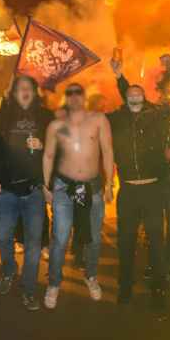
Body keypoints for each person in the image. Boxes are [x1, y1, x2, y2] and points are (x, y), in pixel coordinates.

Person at [41, 83, 114, 310]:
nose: (74, 96)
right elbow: (48, 155)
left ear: (84, 96)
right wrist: (46, 186)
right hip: (64, 187)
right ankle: (54, 283)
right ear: (66, 98)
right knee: (60, 238)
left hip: (92, 188)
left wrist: (110, 183)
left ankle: (91, 275)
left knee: (93, 237)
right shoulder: (56, 125)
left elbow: (108, 151)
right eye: (70, 93)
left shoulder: (99, 120)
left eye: (77, 92)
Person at [108, 57, 170, 310]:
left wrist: (122, 79)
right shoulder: (117, 118)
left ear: (144, 99)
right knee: (126, 241)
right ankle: (125, 288)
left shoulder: (154, 116)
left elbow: (162, 108)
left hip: (153, 189)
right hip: (129, 191)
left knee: (156, 242)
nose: (134, 96)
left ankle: (159, 291)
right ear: (125, 98)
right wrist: (119, 78)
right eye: (130, 94)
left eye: (138, 94)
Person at [0, 75, 53, 311]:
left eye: (28, 88)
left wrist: (43, 145)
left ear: (35, 92)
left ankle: (29, 289)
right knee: (2, 235)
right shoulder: (3, 117)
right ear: (13, 94)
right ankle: (8, 269)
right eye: (20, 89)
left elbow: (58, 148)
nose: (24, 91)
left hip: (34, 190)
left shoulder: (45, 116)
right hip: (7, 189)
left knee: (33, 243)